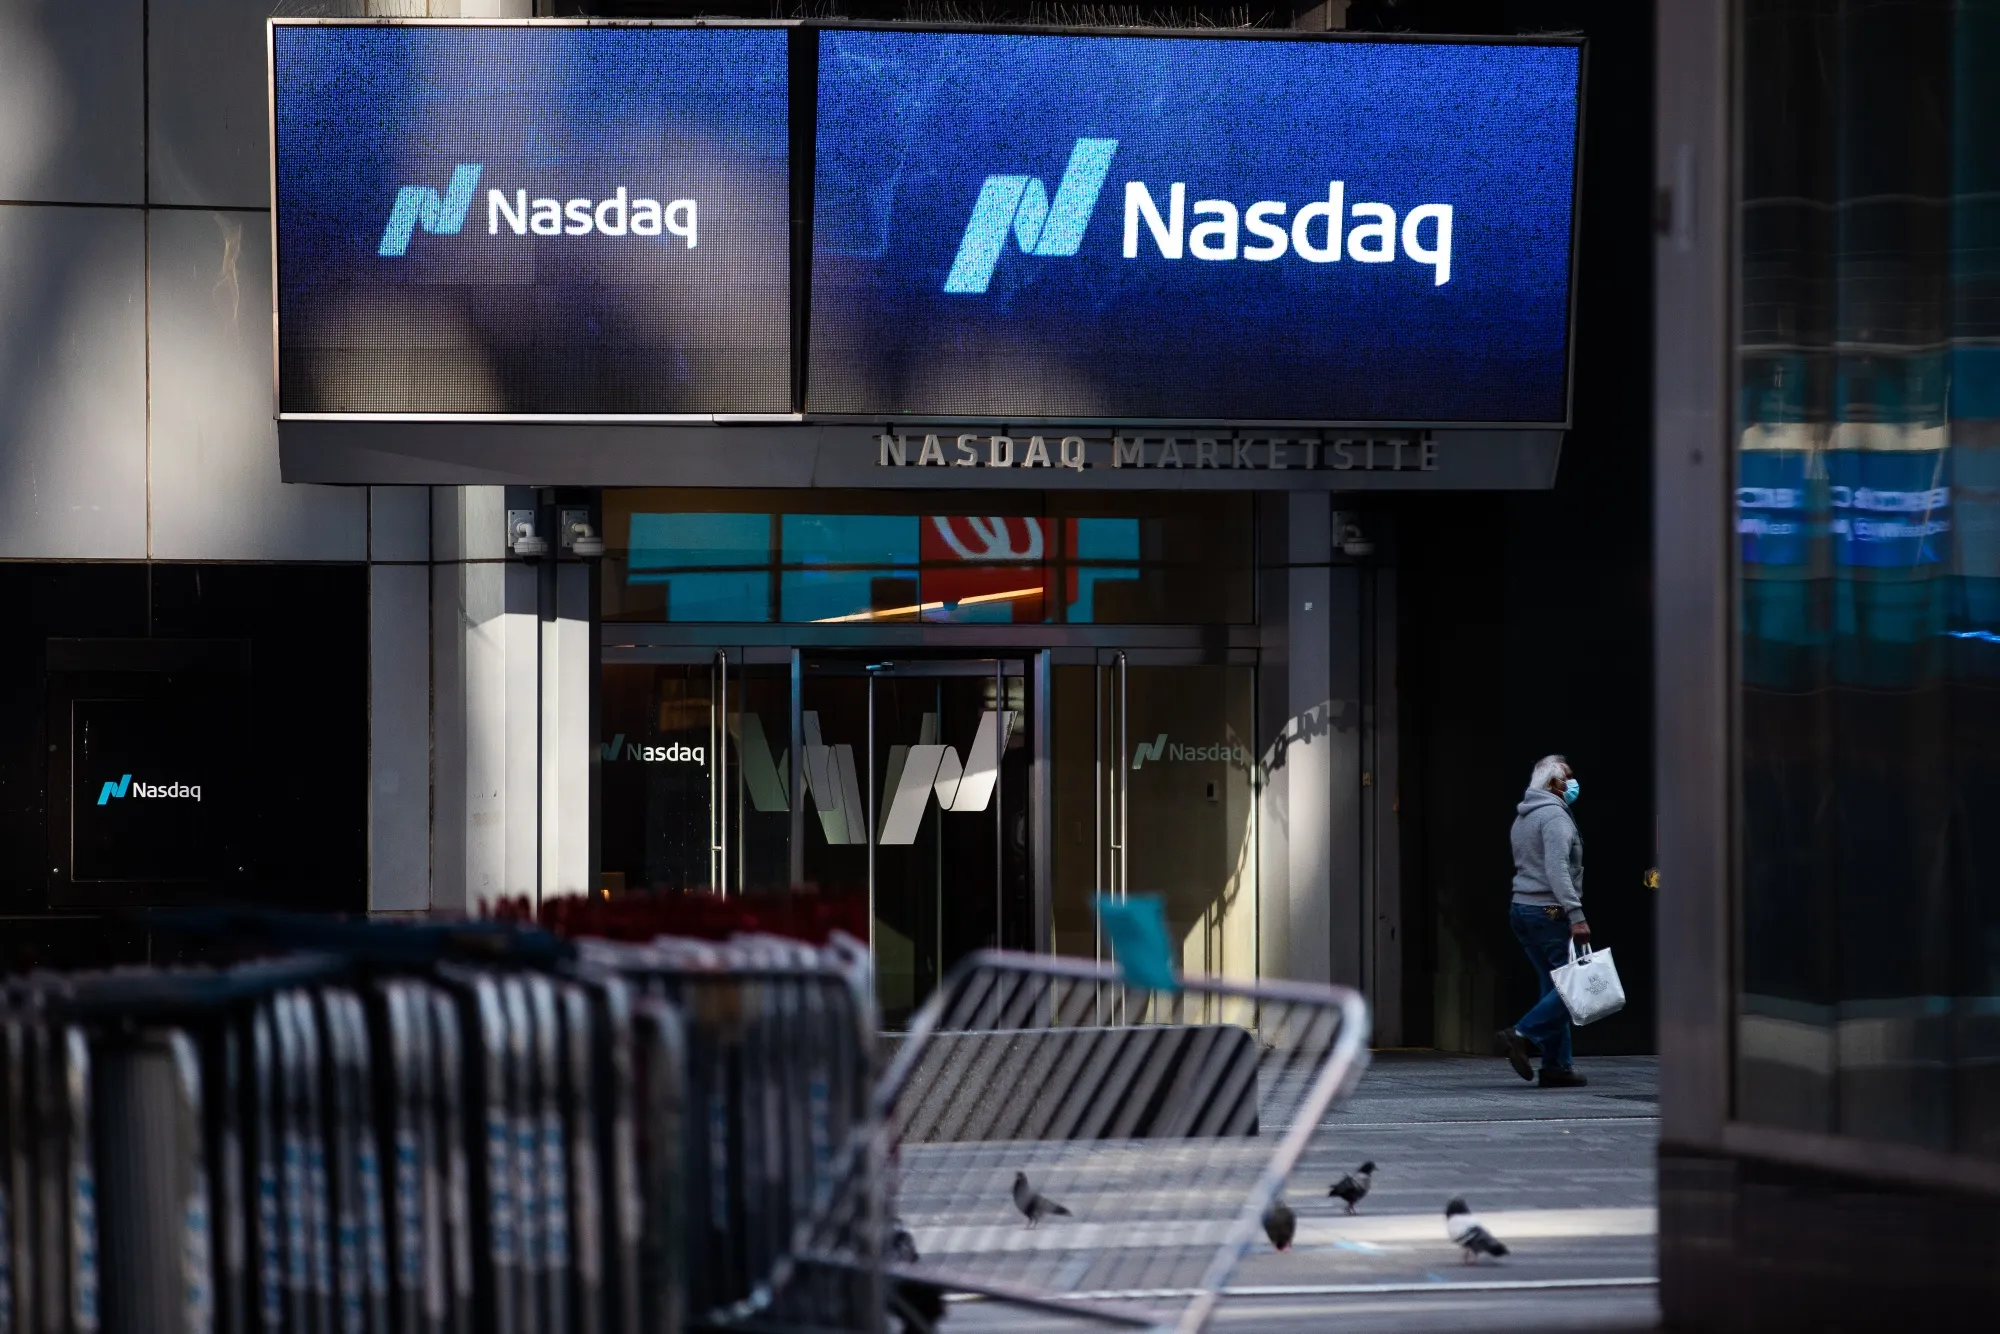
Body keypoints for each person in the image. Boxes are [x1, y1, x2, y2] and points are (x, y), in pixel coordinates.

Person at [1497, 754, 1590, 1088]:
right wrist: (1576, 914)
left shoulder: (1524, 816)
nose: (1573, 783)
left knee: (1553, 986)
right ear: (1554, 783)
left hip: (1522, 910)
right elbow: (1557, 869)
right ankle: (1522, 1034)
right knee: (1575, 987)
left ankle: (1556, 1066)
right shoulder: (1555, 818)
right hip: (1549, 912)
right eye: (1568, 777)